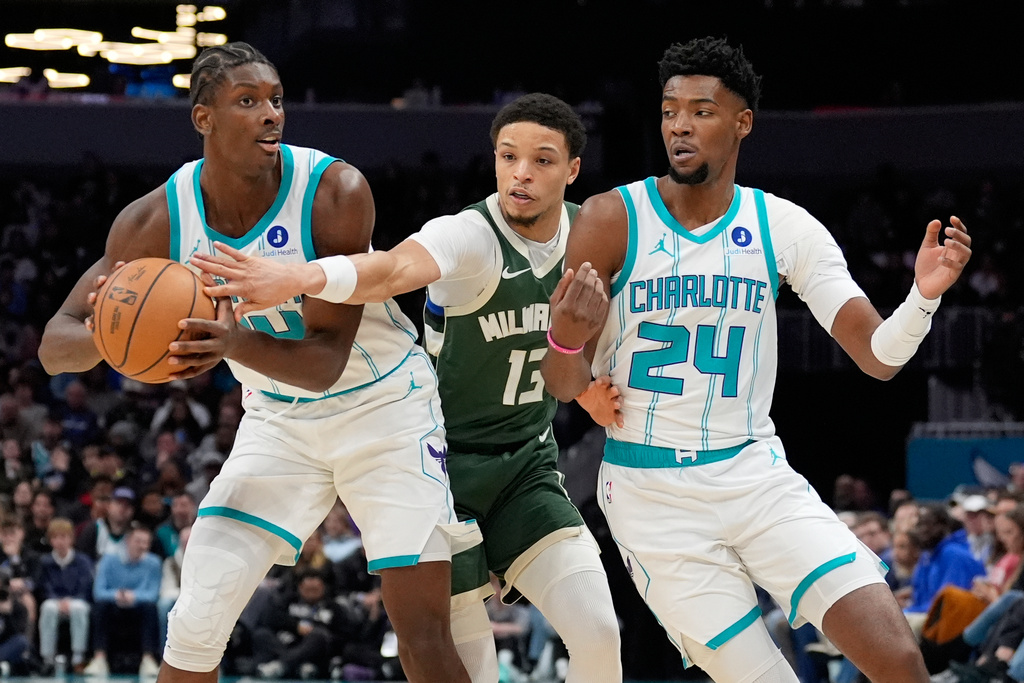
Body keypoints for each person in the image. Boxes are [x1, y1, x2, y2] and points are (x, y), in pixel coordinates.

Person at [37, 41, 477, 683]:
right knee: (193, 622)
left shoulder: (334, 192)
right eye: (248, 102)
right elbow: (55, 345)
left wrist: (230, 344)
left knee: (420, 633)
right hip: (277, 420)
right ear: (203, 118)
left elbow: (326, 360)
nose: (271, 114)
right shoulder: (157, 219)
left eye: (275, 100)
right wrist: (116, 330)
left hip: (384, 408)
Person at [539, 36, 972, 683]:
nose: (680, 124)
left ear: (742, 121)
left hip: (755, 474)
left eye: (701, 110)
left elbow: (879, 357)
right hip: (651, 496)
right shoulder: (611, 217)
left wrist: (922, 297)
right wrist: (569, 343)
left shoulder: (783, 226)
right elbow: (560, 375)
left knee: (901, 660)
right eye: (669, 109)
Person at [190, 92, 623, 682]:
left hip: (526, 467)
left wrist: (591, 386)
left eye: (542, 160)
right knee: (471, 668)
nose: (521, 173)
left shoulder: (591, 241)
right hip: (441, 470)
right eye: (508, 156)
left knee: (600, 633)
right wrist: (300, 276)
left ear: (572, 170)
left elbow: (588, 351)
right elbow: (390, 270)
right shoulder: (469, 235)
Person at [84, 525, 163, 677]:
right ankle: (99, 659)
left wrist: (133, 596)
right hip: (113, 605)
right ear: (128, 541)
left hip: (138, 606)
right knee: (101, 606)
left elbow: (153, 594)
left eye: (146, 542)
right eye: (138, 541)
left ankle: (148, 659)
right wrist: (117, 595)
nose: (142, 546)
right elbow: (99, 591)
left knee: (151, 607)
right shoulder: (108, 560)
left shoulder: (154, 563)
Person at [36, 518, 94, 675]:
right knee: (47, 608)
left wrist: (72, 600)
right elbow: (44, 586)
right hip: (55, 601)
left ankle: (78, 657)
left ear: (71, 539)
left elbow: (86, 586)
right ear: (50, 540)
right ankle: (47, 658)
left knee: (79, 609)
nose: (60, 542)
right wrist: (57, 599)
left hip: (77, 600)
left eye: (63, 537)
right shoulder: (45, 562)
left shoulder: (83, 561)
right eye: (55, 537)